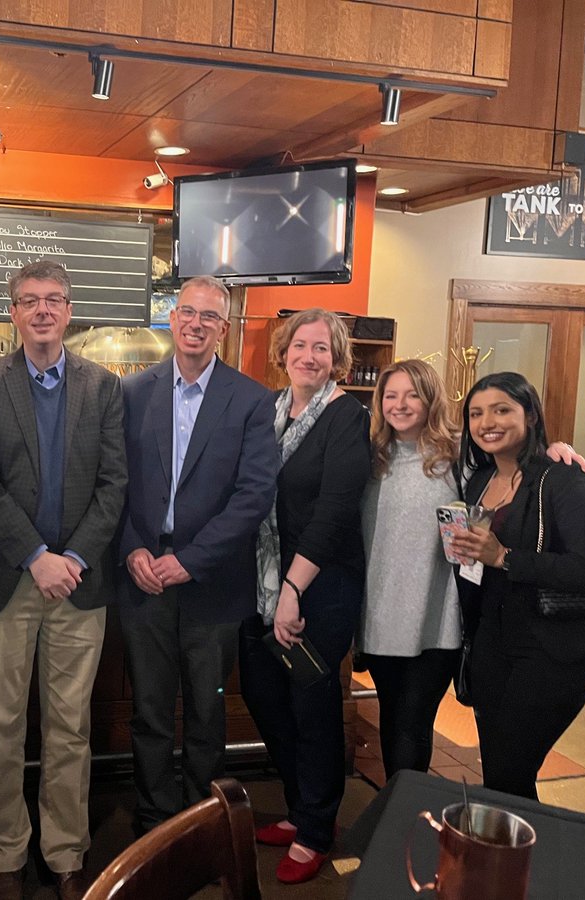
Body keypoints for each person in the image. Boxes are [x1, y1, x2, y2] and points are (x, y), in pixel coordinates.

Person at [0, 259, 127, 900]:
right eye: (30, 300)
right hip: (9, 578)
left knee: (70, 727)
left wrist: (74, 558)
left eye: (54, 300)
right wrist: (35, 554)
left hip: (79, 584)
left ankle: (64, 851)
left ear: (69, 309)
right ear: (13, 312)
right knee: (0, 725)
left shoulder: (103, 387)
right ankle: (5, 854)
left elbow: (115, 486)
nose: (43, 311)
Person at [118, 275, 278, 834]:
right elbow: (114, 483)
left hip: (210, 585)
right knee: (150, 712)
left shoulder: (253, 400)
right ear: (171, 317)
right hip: (144, 582)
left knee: (208, 714)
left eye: (209, 316)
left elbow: (254, 494)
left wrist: (191, 559)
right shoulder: (134, 391)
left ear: (224, 328)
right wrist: (134, 548)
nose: (196, 323)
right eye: (188, 312)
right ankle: (155, 826)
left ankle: (200, 829)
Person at [238, 308, 371, 885]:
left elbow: (336, 509)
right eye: (300, 345)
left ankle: (317, 828)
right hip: (263, 586)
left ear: (337, 360)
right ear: (284, 351)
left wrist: (294, 587)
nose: (309, 356)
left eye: (323, 348)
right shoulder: (266, 410)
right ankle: (299, 809)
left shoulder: (347, 416)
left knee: (312, 708)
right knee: (266, 699)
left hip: (322, 586)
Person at [449, 371, 585, 800]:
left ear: (529, 415)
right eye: (476, 413)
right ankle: (510, 859)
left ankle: (525, 860)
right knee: (500, 772)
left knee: (511, 767)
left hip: (551, 649)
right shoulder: (477, 480)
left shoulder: (564, 478)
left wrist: (505, 558)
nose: (487, 421)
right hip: (491, 642)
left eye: (501, 409)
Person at [359, 359, 462, 777]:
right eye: (390, 395)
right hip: (380, 617)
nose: (399, 405)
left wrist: (556, 448)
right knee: (391, 717)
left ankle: (406, 820)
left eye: (411, 394)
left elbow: (516, 460)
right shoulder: (370, 459)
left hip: (435, 620)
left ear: (430, 398)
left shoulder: (458, 455)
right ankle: (398, 810)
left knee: (413, 723)